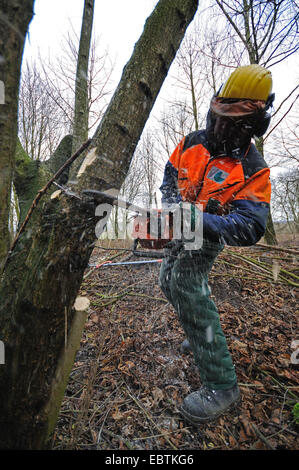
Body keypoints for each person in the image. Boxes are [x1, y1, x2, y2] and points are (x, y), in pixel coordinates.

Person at [158, 64, 274, 424]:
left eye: (232, 123)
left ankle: (223, 385)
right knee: (166, 279)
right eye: (219, 117)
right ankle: (199, 331)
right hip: (183, 225)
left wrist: (199, 221)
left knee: (186, 284)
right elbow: (168, 177)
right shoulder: (192, 142)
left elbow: (250, 226)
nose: (221, 127)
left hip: (210, 233)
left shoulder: (254, 169)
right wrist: (172, 207)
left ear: (251, 126)